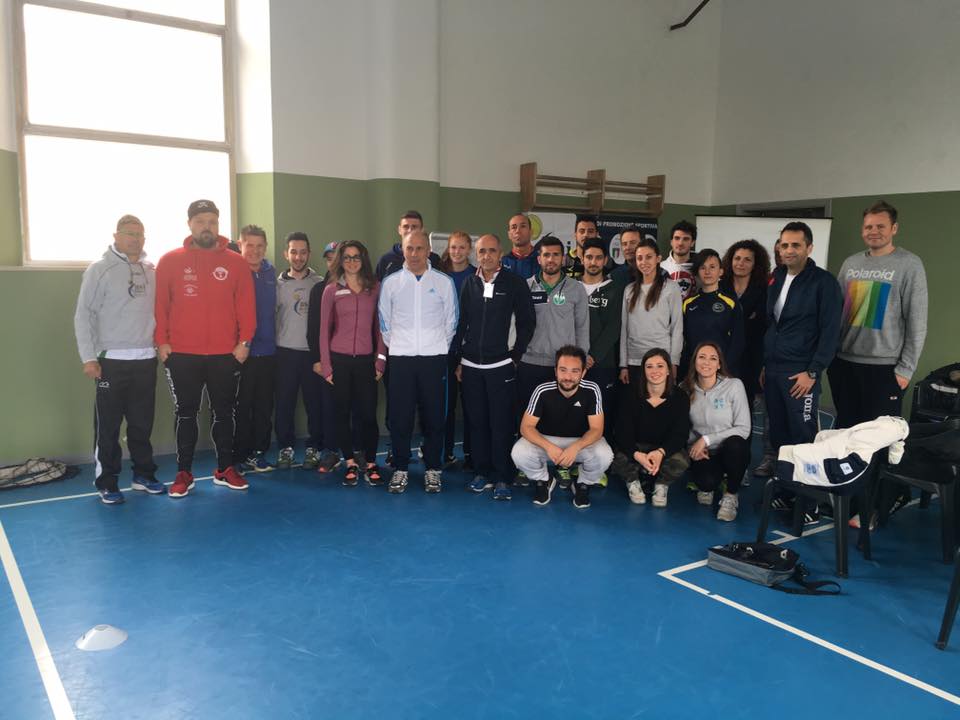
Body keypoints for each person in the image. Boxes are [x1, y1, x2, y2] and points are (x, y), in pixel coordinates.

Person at [155, 199, 255, 497]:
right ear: (190, 224)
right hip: (182, 353)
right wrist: (162, 341)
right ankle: (183, 473)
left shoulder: (236, 262)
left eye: (212, 221)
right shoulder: (169, 261)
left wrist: (244, 342)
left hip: (226, 354)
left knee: (224, 412)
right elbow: (160, 306)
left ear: (218, 224)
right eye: (200, 221)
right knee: (186, 413)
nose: (206, 227)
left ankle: (225, 468)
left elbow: (246, 306)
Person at [74, 214, 165, 504]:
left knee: (141, 424)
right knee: (109, 426)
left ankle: (143, 475)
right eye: (129, 233)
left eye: (140, 234)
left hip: (145, 359)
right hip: (110, 361)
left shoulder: (151, 271)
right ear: (116, 236)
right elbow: (83, 315)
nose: (135, 239)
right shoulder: (99, 270)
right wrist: (89, 358)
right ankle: (107, 481)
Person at [763, 221, 842, 522]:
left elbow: (830, 331)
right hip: (774, 369)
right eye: (784, 245)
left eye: (796, 245)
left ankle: (810, 503)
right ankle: (787, 492)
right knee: (781, 436)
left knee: (804, 437)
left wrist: (813, 372)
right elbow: (774, 324)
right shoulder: (777, 277)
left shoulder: (824, 283)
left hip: (801, 373)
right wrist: (766, 363)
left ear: (809, 248)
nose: (789, 250)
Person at [828, 200, 928, 429]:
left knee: (877, 436)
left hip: (886, 368)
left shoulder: (909, 264)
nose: (874, 231)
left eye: (880, 226)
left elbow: (917, 321)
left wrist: (906, 369)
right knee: (846, 431)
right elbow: (836, 313)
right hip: (844, 364)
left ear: (894, 228)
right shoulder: (851, 263)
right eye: (868, 227)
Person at [453, 234, 535, 500]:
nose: (486, 256)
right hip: (471, 366)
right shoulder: (470, 283)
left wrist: (515, 356)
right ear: (476, 254)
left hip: (501, 365)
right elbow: (461, 323)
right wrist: (459, 359)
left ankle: (502, 477)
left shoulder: (514, 283)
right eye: (481, 251)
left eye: (491, 251)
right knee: (477, 423)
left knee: (501, 424)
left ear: (500, 253)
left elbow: (527, 322)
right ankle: (481, 473)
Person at [377, 230, 458, 493]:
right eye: (409, 248)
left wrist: (437, 346)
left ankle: (433, 469)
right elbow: (384, 321)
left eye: (419, 248)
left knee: (434, 417)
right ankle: (400, 468)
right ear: (403, 250)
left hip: (434, 360)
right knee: (400, 417)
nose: (414, 254)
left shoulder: (444, 282)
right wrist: (400, 345)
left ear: (428, 251)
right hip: (401, 359)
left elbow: (451, 321)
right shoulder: (391, 283)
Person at [512, 346, 613, 509]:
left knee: (604, 455)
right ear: (556, 371)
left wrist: (576, 447)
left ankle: (583, 484)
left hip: (579, 442)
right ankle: (543, 480)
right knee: (519, 452)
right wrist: (549, 447)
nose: (568, 377)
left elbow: (596, 429)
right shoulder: (542, 390)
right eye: (563, 370)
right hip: (547, 441)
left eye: (575, 371)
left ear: (583, 373)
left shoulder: (592, 390)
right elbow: (526, 427)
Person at [319, 241, 387, 486]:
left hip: (366, 362)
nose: (351, 261)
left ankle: (370, 462)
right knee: (342, 414)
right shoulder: (331, 290)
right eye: (347, 257)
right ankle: (349, 461)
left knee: (368, 415)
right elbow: (323, 331)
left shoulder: (375, 288)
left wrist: (380, 360)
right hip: (339, 360)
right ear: (340, 260)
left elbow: (381, 327)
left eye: (356, 256)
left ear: (363, 259)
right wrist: (326, 366)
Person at [518, 234, 590, 412]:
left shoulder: (576, 288)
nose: (551, 259)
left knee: (558, 416)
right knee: (528, 413)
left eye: (556, 255)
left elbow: (582, 327)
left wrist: (580, 361)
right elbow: (516, 324)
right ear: (539, 259)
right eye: (546, 255)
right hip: (529, 363)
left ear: (563, 258)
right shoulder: (525, 287)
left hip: (562, 366)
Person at [274, 232, 326, 470]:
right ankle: (285, 448)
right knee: (284, 404)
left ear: (309, 254)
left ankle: (314, 447)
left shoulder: (319, 283)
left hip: (312, 355)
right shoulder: (277, 285)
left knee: (314, 404)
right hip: (285, 353)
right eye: (293, 252)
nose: (298, 257)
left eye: (303, 252)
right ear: (286, 254)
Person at [615, 348, 690, 508]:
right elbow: (622, 432)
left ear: (669, 370)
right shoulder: (630, 394)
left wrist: (661, 452)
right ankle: (633, 482)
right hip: (637, 448)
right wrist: (637, 455)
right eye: (649, 366)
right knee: (617, 457)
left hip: (662, 450)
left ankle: (661, 485)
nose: (655, 371)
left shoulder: (680, 397)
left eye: (660, 366)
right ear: (643, 371)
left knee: (681, 460)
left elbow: (681, 434)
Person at [721, 239, 771, 475]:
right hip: (723, 358)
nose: (741, 263)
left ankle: (740, 466)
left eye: (747, 260)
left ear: (755, 264)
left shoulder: (764, 290)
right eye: (737, 258)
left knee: (745, 411)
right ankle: (718, 460)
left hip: (751, 360)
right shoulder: (720, 285)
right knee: (720, 410)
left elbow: (764, 325)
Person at [686, 342, 751, 521]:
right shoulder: (686, 389)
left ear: (719, 364)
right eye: (702, 357)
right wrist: (692, 447)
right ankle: (713, 482)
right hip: (706, 453)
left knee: (736, 444)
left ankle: (731, 494)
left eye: (713, 358)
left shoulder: (734, 386)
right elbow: (683, 428)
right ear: (694, 362)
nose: (707, 362)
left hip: (730, 449)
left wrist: (706, 439)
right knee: (706, 484)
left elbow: (744, 428)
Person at [233, 226, 278, 473]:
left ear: (265, 247)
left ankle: (258, 453)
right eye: (249, 245)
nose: (255, 250)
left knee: (263, 407)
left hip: (268, 352)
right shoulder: (233, 271)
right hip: (241, 353)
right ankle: (237, 456)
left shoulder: (271, 273)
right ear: (240, 245)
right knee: (241, 407)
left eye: (260, 245)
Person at [619, 237, 683, 383]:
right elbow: (624, 329)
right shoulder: (629, 290)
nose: (644, 262)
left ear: (658, 259)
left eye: (649, 257)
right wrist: (623, 364)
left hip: (661, 360)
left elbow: (677, 327)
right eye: (639, 258)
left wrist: (674, 361)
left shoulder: (671, 287)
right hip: (634, 360)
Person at [581, 238, 624, 448]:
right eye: (589, 257)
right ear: (582, 258)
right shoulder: (571, 287)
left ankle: (601, 459)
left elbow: (614, 328)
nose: (593, 262)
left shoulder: (615, 289)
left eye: (598, 258)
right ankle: (574, 457)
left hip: (603, 364)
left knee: (601, 413)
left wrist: (593, 356)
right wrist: (579, 357)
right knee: (576, 412)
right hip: (574, 365)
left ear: (605, 260)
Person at [678, 248, 744, 379]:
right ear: (697, 272)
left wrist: (724, 368)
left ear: (721, 271)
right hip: (693, 371)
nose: (707, 272)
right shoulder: (688, 304)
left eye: (712, 267)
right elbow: (684, 340)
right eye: (702, 268)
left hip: (722, 371)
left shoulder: (731, 303)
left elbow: (738, 341)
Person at [440, 231, 476, 468]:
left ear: (469, 249)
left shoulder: (476, 275)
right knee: (446, 405)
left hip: (469, 350)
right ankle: (446, 452)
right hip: (444, 350)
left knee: (471, 405)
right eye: (454, 247)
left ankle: (472, 454)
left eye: (462, 247)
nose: (457, 252)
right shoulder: (439, 274)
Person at [374, 210, 441, 281]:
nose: (410, 230)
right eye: (406, 227)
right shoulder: (386, 260)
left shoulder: (434, 259)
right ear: (399, 230)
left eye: (414, 226)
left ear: (422, 229)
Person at [661, 220, 697, 300]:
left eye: (686, 239)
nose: (680, 243)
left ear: (692, 242)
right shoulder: (660, 268)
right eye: (677, 238)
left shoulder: (701, 268)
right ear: (671, 241)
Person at [501, 213, 539, 279]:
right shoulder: (501, 263)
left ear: (531, 232)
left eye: (523, 226)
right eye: (514, 227)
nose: (518, 231)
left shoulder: (542, 260)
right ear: (509, 235)